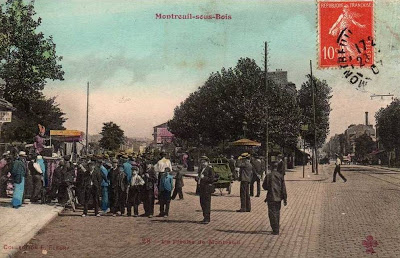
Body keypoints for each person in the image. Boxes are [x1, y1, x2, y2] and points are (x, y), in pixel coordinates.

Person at [262, 161, 288, 235]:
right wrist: (285, 199)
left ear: (271, 167)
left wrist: (269, 188)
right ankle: (277, 227)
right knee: (277, 212)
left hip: (271, 197)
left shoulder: (269, 175)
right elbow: (283, 188)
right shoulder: (280, 176)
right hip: (279, 197)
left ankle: (275, 229)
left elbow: (264, 186)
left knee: (271, 213)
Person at [198, 156, 215, 224]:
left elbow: (212, 179)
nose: (203, 163)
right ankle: (204, 217)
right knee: (202, 203)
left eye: (204, 162)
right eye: (202, 162)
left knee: (206, 203)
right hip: (202, 188)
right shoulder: (201, 169)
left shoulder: (210, 169)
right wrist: (198, 179)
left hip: (207, 188)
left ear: (207, 162)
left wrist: (204, 178)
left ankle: (207, 218)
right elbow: (200, 178)